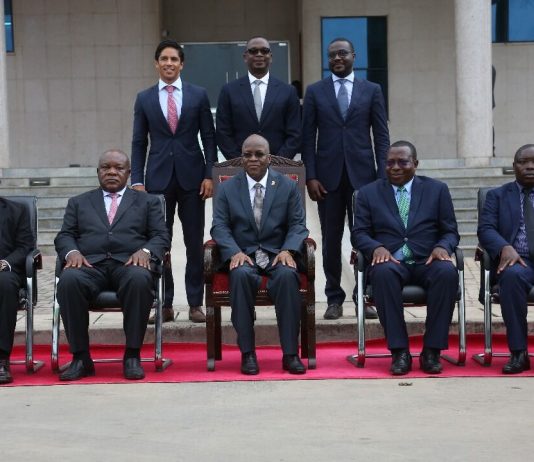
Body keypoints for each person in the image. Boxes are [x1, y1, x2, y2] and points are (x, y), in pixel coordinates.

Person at [55, 150, 170, 381]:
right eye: (106, 167)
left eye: (118, 168)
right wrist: (72, 252)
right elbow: (64, 235)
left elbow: (161, 236)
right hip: (90, 265)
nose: (112, 172)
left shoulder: (148, 202)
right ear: (98, 172)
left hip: (129, 264)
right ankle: (81, 358)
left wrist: (146, 251)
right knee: (68, 280)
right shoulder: (79, 202)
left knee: (139, 278)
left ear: (128, 173)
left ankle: (132, 356)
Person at [302, 37, 390, 320]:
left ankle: (364, 296)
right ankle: (334, 298)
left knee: (363, 238)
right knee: (330, 240)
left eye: (342, 53)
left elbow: (381, 136)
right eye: (332, 55)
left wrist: (382, 177)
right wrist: (311, 176)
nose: (337, 58)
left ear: (354, 55)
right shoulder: (315, 92)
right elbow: (307, 137)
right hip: (327, 181)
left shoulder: (372, 90)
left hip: (364, 180)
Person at [353, 141, 459, 376]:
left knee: (447, 272)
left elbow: (450, 231)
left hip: (427, 260)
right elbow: (359, 233)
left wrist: (442, 247)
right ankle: (399, 351)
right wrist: (376, 247)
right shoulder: (368, 193)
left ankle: (432, 351)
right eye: (390, 162)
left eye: (402, 162)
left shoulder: (437, 190)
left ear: (415, 164)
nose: (395, 167)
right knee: (382, 274)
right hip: (390, 261)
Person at [131, 39, 217, 324]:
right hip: (157, 181)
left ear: (182, 64)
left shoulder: (198, 95)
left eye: (174, 59)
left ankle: (195, 303)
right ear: (156, 63)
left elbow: (209, 138)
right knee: (160, 242)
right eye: (164, 59)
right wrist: (137, 180)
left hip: (193, 180)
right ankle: (164, 303)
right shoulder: (144, 98)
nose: (169, 63)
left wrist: (209, 175)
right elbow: (139, 142)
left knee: (194, 243)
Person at [211, 134, 309, 375]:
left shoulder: (287, 186)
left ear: (269, 158)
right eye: (247, 155)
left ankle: (290, 354)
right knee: (240, 275)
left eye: (259, 154)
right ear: (241, 158)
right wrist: (234, 252)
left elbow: (298, 224)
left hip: (277, 254)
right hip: (244, 254)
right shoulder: (227, 188)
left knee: (287, 276)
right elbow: (219, 226)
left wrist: (288, 250)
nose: (253, 159)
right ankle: (248, 353)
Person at [478, 144, 534, 374]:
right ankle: (519, 353)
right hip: (518, 261)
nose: (530, 166)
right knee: (510, 277)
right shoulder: (497, 196)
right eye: (523, 162)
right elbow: (486, 229)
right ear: (514, 166)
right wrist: (504, 247)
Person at [216, 36, 301, 160]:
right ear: (245, 57)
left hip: (278, 165)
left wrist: (277, 162)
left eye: (264, 51)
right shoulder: (229, 91)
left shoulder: (288, 91)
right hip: (240, 165)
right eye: (253, 51)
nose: (259, 54)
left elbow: (295, 133)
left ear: (271, 57)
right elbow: (223, 132)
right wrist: (241, 162)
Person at [0, 198, 34, 384]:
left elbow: (26, 246)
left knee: (4, 284)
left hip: (4, 271)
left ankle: (1, 359)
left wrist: (5, 263)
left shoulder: (17, 210)